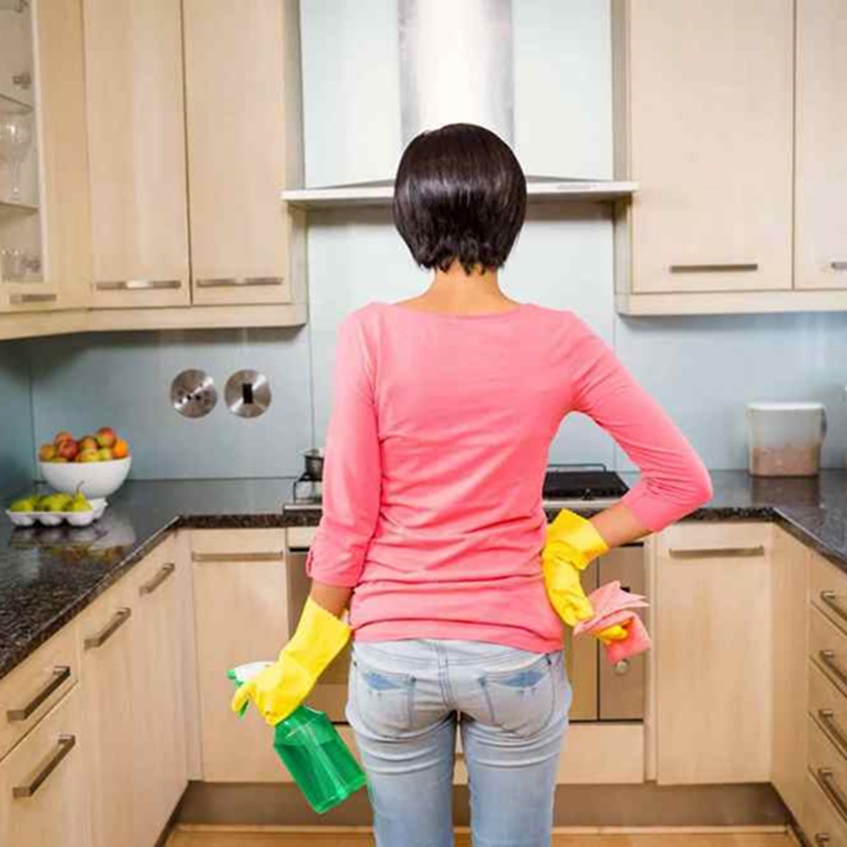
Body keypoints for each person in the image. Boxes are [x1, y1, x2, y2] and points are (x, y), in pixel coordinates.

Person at [232, 123, 713, 847]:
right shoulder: (562, 338)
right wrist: (575, 540)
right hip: (511, 653)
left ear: (410, 218)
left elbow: (348, 517)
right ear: (510, 217)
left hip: (393, 654)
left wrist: (302, 655)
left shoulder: (369, 333)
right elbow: (682, 480)